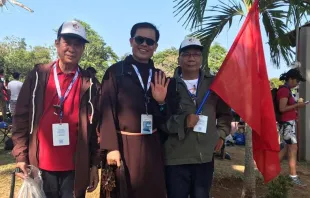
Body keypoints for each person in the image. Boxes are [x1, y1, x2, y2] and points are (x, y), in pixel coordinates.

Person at [12, 20, 101, 198]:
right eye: (67, 42)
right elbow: (21, 117)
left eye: (78, 44)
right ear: (57, 43)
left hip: (76, 168)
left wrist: (93, 165)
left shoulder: (89, 83)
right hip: (41, 165)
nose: (72, 48)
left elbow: (96, 128)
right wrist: (21, 156)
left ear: (83, 49)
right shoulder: (38, 76)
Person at [99, 22, 170, 198]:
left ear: (155, 46)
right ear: (131, 41)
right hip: (123, 146)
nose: (144, 44)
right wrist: (111, 147)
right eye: (140, 39)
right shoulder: (115, 72)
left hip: (151, 147)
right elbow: (106, 111)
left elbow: (166, 118)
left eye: (150, 41)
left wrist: (161, 102)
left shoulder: (159, 76)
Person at [164, 38, 232, 198]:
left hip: (204, 157)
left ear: (201, 58)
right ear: (179, 59)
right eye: (186, 54)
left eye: (196, 54)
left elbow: (225, 114)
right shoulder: (168, 85)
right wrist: (183, 122)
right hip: (176, 157)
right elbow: (162, 120)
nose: (191, 58)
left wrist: (221, 134)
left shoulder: (215, 84)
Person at [277, 68, 307, 187]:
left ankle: (271, 168)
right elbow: (282, 108)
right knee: (293, 148)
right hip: (286, 124)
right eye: (297, 81)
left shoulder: (287, 90)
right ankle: (293, 176)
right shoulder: (284, 91)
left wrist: (296, 108)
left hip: (288, 124)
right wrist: (297, 105)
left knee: (287, 148)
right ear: (290, 79)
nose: (298, 83)